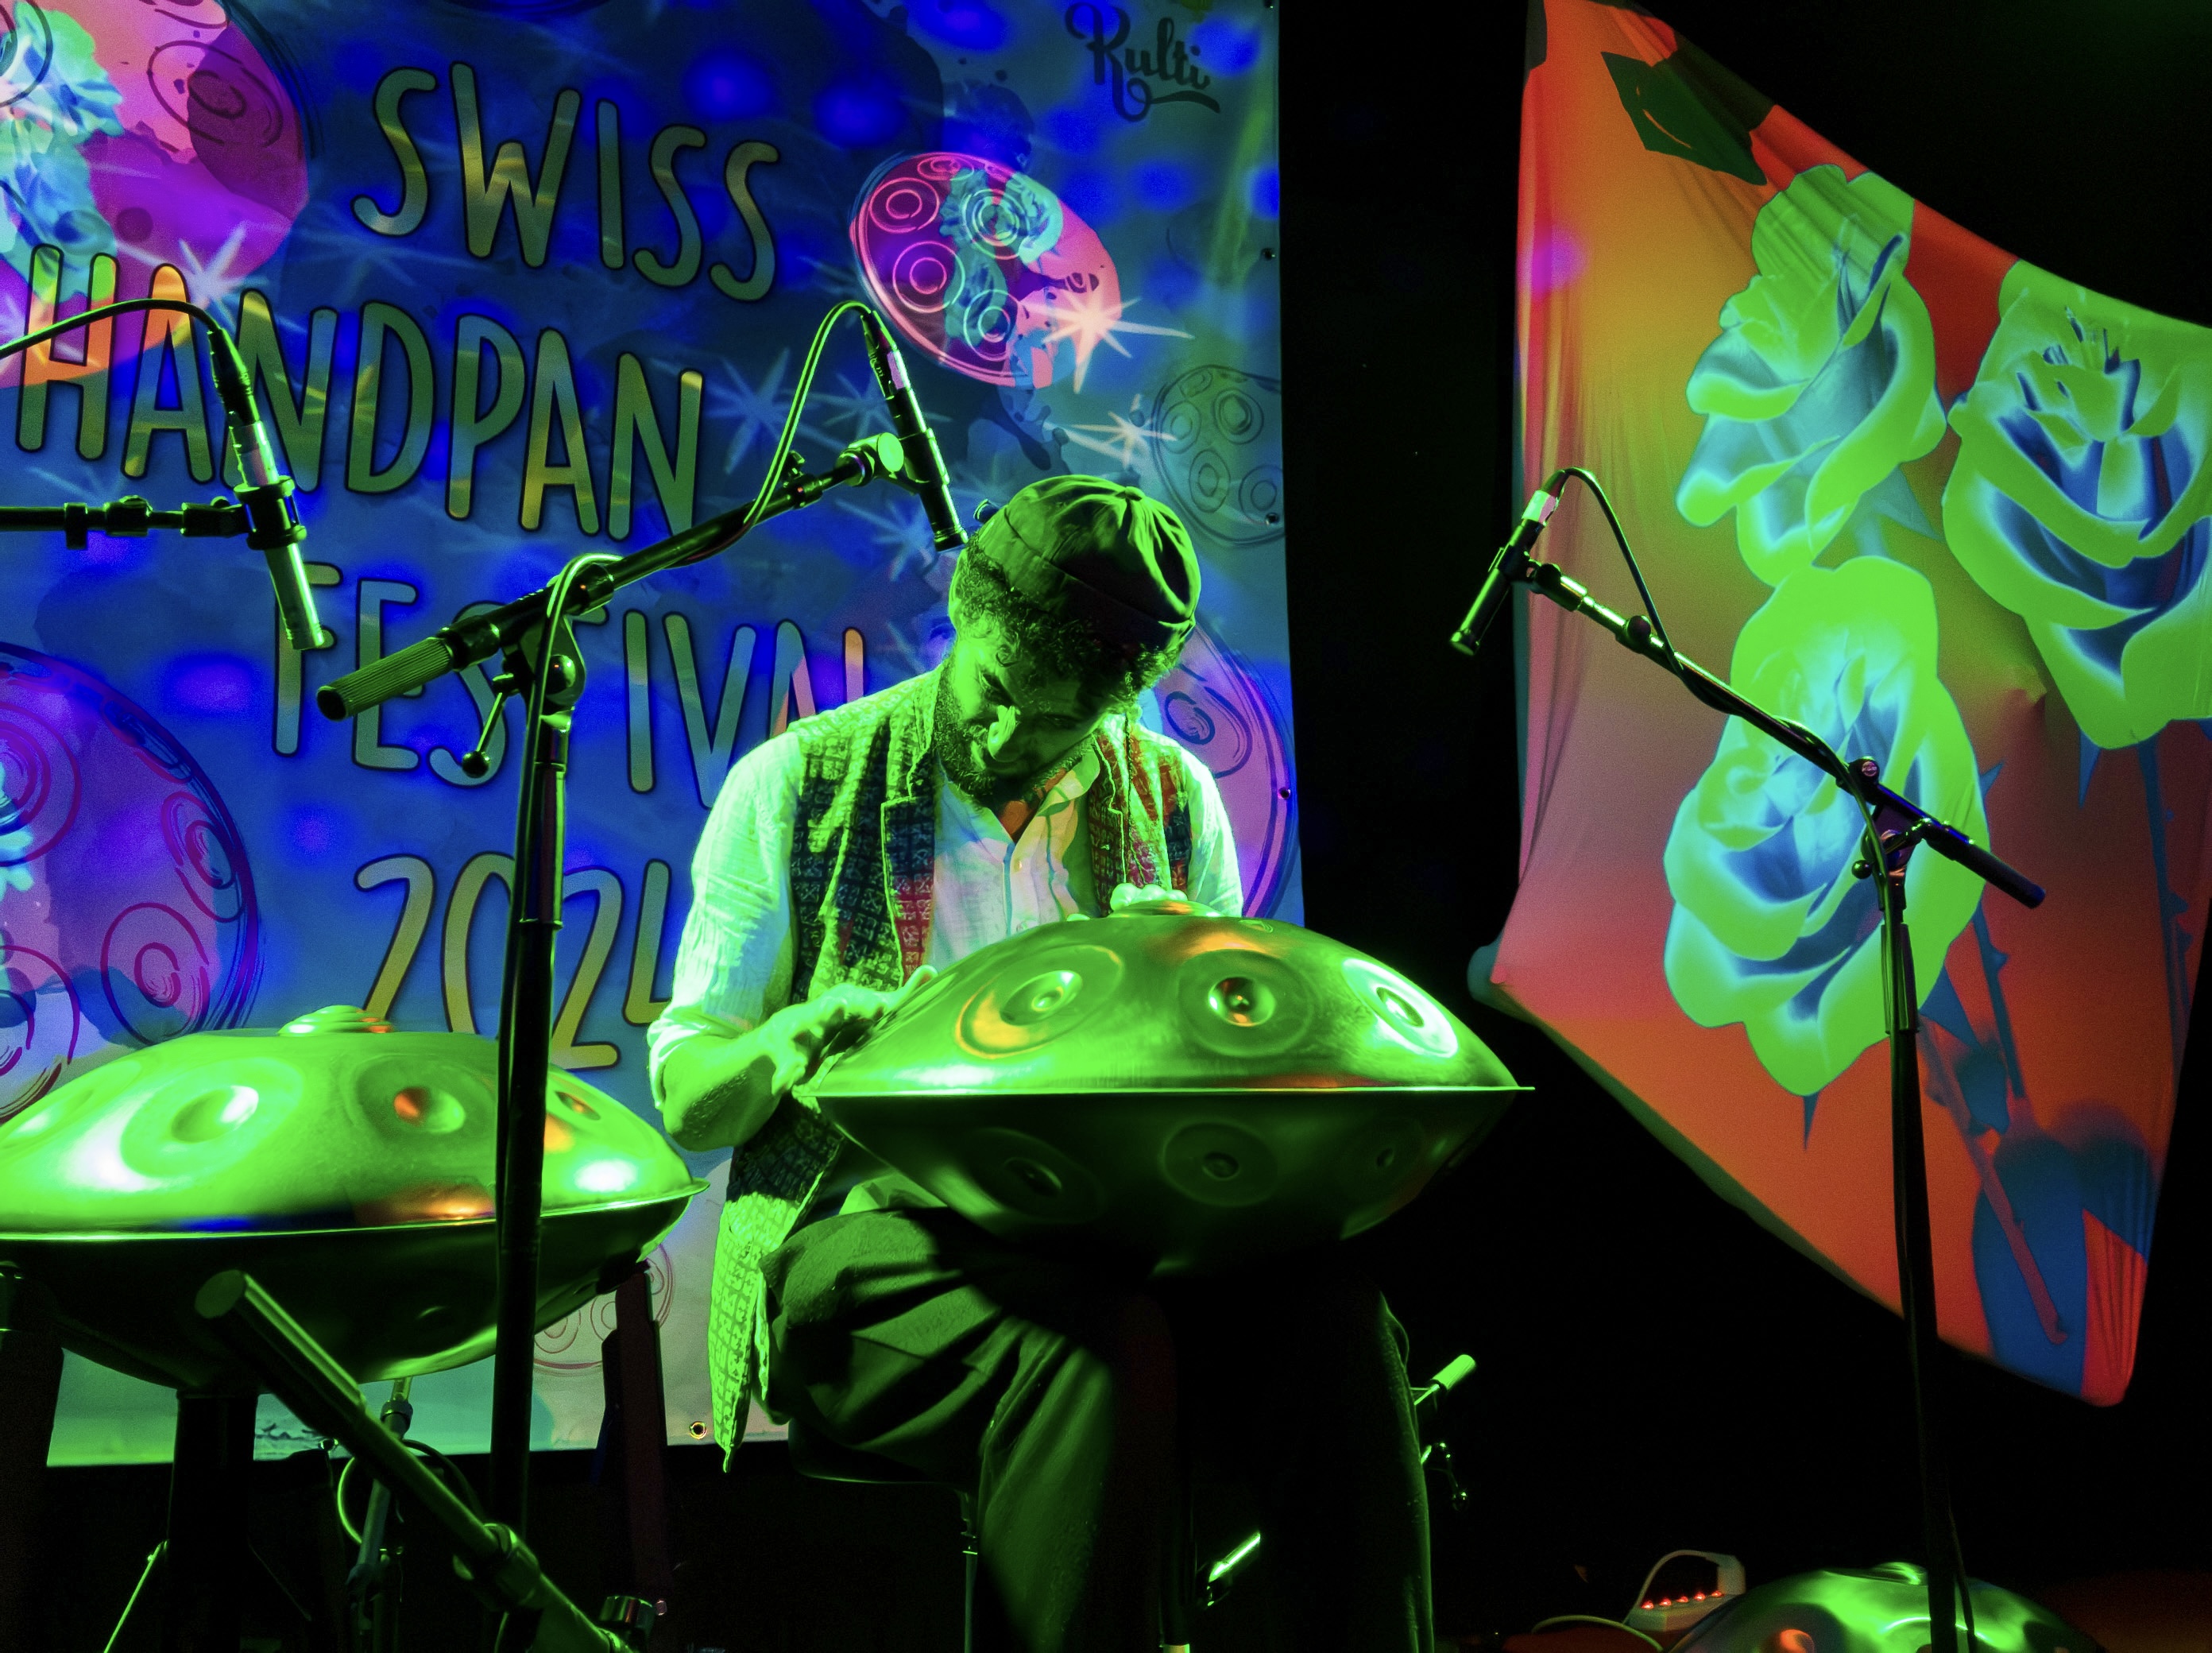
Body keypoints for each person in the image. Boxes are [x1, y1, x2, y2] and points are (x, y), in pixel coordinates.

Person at [648, 476, 1431, 1652]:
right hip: (867, 1247)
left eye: (1058, 723)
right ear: (963, 611)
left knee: (1335, 1326)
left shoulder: (1173, 801)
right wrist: (792, 1038)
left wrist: (1184, 1001)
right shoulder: (801, 781)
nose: (1010, 739)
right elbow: (687, 1102)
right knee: (1096, 1347)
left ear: (1120, 702)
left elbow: (1241, 1108)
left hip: (1113, 1247)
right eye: (999, 692)